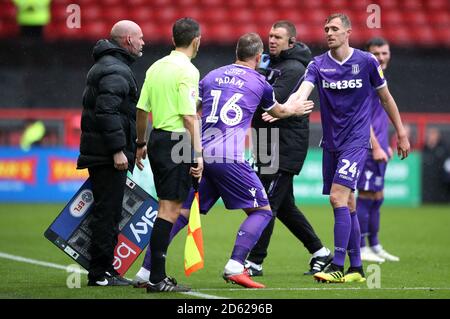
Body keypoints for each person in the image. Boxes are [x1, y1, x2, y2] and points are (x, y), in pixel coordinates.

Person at [134, 32, 314, 289]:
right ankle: (235, 264)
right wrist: (294, 109)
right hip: (228, 157)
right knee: (262, 211)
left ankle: (145, 271)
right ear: (258, 56)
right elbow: (278, 111)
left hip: (201, 154)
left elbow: (193, 108)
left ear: (236, 53)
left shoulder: (212, 75)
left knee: (181, 213)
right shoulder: (260, 82)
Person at [287, 13, 410, 283]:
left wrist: (400, 133)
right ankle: (357, 269)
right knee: (348, 204)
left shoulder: (366, 62)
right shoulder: (318, 64)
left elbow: (386, 98)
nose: (328, 33)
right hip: (331, 143)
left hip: (356, 142)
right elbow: (302, 93)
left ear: (347, 32)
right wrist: (286, 108)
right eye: (326, 29)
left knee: (337, 198)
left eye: (334, 28)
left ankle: (337, 264)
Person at [246, 20, 332, 277]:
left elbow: (267, 101)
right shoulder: (270, 64)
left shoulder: (294, 68)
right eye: (270, 35)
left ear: (291, 42)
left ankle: (254, 261)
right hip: (266, 141)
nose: (271, 40)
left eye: (278, 37)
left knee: (267, 203)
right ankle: (320, 252)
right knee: (283, 206)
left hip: (283, 145)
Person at [134, 17, 203, 293]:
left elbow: (141, 110)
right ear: (196, 40)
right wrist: (197, 154)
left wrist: (141, 142)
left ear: (173, 39)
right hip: (178, 140)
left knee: (166, 207)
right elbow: (189, 117)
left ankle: (154, 275)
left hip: (158, 138)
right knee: (169, 210)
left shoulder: (155, 67)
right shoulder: (188, 71)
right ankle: (156, 279)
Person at [77, 20, 144, 286]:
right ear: (127, 40)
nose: (143, 42)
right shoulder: (116, 69)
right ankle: (100, 273)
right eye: (139, 38)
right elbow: (107, 112)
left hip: (101, 152)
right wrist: (118, 150)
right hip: (107, 154)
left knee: (109, 211)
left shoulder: (109, 65)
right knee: (108, 212)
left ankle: (104, 270)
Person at [356, 37, 399, 263]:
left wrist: (387, 144)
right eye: (377, 54)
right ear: (368, 55)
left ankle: (375, 244)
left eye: (385, 53)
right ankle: (362, 246)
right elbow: (363, 117)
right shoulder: (367, 78)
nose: (381, 58)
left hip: (380, 147)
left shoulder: (380, 78)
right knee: (366, 194)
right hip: (368, 148)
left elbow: (380, 116)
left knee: (378, 196)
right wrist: (375, 147)